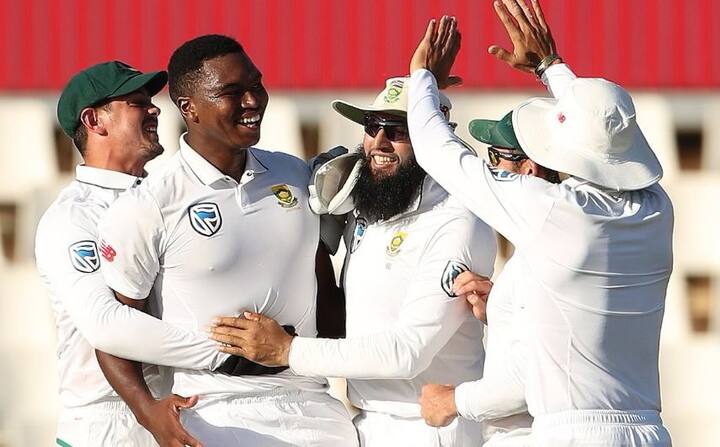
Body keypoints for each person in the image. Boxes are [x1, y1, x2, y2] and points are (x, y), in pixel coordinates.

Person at [407, 2, 673, 445]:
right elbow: (605, 129)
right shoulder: (657, 208)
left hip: (572, 433)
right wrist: (550, 66)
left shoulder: (553, 210)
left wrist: (422, 79)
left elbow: (438, 152)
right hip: (650, 431)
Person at [96, 34, 357, 447]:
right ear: (189, 108)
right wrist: (149, 413)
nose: (252, 101)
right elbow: (113, 331)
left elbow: (324, 291)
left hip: (315, 407)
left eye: (256, 85)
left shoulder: (295, 175)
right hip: (214, 412)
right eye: (232, 92)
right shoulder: (150, 205)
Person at [209, 77, 498, 446]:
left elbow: (407, 353)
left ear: (435, 138)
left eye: (399, 130)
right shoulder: (369, 200)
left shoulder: (458, 221)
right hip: (366, 421)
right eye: (372, 126)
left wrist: (286, 350)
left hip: (433, 428)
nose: (379, 141)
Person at [35, 60, 174, 447]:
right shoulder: (71, 218)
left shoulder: (167, 196)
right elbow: (108, 324)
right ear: (94, 120)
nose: (155, 109)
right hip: (106, 425)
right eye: (137, 103)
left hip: (174, 408)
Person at [421, 113, 561, 447]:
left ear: (529, 170)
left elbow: (531, 381)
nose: (489, 168)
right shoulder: (553, 244)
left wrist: (451, 401)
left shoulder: (545, 256)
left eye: (496, 158)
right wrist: (500, 313)